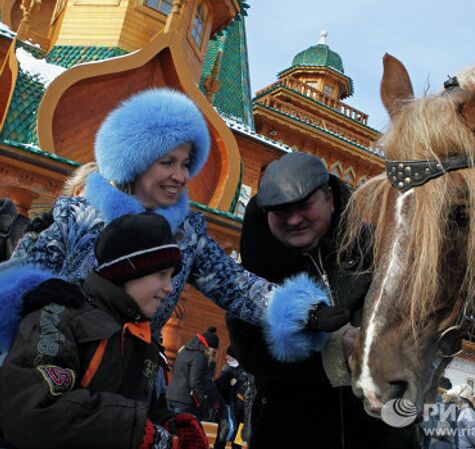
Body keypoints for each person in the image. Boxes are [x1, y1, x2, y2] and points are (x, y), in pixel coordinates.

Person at [0, 88, 327, 337]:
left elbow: (237, 286)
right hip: (58, 371)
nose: (181, 176)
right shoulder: (80, 219)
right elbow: (19, 282)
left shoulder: (184, 236)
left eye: (185, 164)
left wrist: (305, 311)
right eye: (167, 162)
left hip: (129, 383)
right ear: (136, 161)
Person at [226, 152, 418, 449]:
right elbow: (249, 346)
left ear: (329, 198)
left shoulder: (376, 249)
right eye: (280, 212)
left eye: (304, 206)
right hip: (290, 428)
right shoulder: (256, 269)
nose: (294, 219)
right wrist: (330, 350)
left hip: (378, 430)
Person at [0, 212, 208, 449]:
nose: (170, 288)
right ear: (130, 270)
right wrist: (137, 431)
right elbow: (31, 411)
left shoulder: (144, 339)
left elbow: (138, 408)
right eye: (162, 275)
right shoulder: (60, 316)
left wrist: (170, 424)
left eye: (171, 277)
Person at [166, 327, 220, 421]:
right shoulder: (199, 357)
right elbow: (195, 382)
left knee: (171, 429)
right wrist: (204, 400)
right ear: (209, 347)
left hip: (171, 396)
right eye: (214, 352)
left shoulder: (185, 350)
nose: (213, 355)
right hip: (184, 401)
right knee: (182, 431)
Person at [214, 347, 250, 449]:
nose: (226, 357)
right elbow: (221, 387)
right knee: (222, 435)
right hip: (228, 407)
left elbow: (248, 390)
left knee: (238, 440)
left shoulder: (245, 371)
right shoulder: (226, 368)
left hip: (242, 409)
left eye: (228, 355)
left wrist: (238, 383)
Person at [443, 384, 475, 449]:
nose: (473, 397)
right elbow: (474, 433)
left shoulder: (455, 409)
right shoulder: (468, 411)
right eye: (471, 394)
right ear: (466, 396)